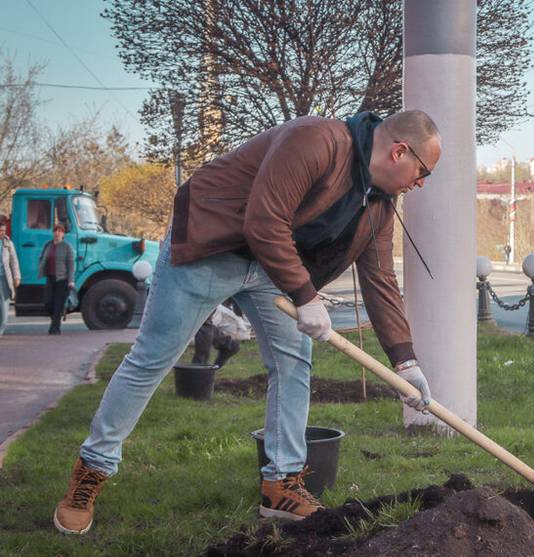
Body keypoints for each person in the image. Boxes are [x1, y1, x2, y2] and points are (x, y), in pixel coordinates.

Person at [54, 110, 441, 535]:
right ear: (399, 151)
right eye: (423, 172)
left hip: (269, 264)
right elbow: (264, 220)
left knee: (295, 360)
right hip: (211, 246)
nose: (420, 183)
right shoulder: (317, 140)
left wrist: (406, 362)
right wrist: (306, 296)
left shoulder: (379, 205)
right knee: (152, 359)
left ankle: (281, 484)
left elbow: (380, 279)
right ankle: (90, 472)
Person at [38, 223, 75, 335]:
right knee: (48, 303)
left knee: (58, 304)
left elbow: (70, 264)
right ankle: (56, 319)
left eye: (60, 231)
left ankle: (55, 328)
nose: (57, 233)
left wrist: (71, 280)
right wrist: (41, 269)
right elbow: (42, 258)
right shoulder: (48, 245)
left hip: (62, 280)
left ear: (63, 234)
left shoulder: (66, 247)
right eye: (55, 231)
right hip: (50, 278)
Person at [0, 215, 22, 336]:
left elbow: (14, 261)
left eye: (3, 231)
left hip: (4, 278)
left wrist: (17, 277)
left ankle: (1, 329)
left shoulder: (8, 243)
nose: (2, 233)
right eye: (0, 231)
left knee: (4, 305)